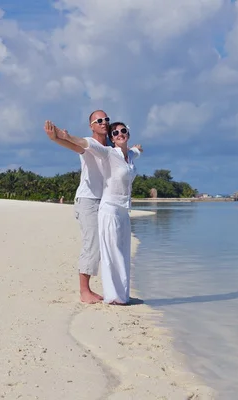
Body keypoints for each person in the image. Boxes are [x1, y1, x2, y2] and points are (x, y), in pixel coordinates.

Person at [43, 111, 142, 304]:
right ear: (91, 126)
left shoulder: (113, 146)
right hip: (88, 199)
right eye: (99, 120)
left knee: (108, 247)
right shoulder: (89, 143)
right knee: (93, 244)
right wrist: (57, 137)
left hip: (107, 201)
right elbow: (75, 144)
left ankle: (113, 289)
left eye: (106, 119)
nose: (104, 122)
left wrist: (137, 149)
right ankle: (84, 291)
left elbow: (130, 153)